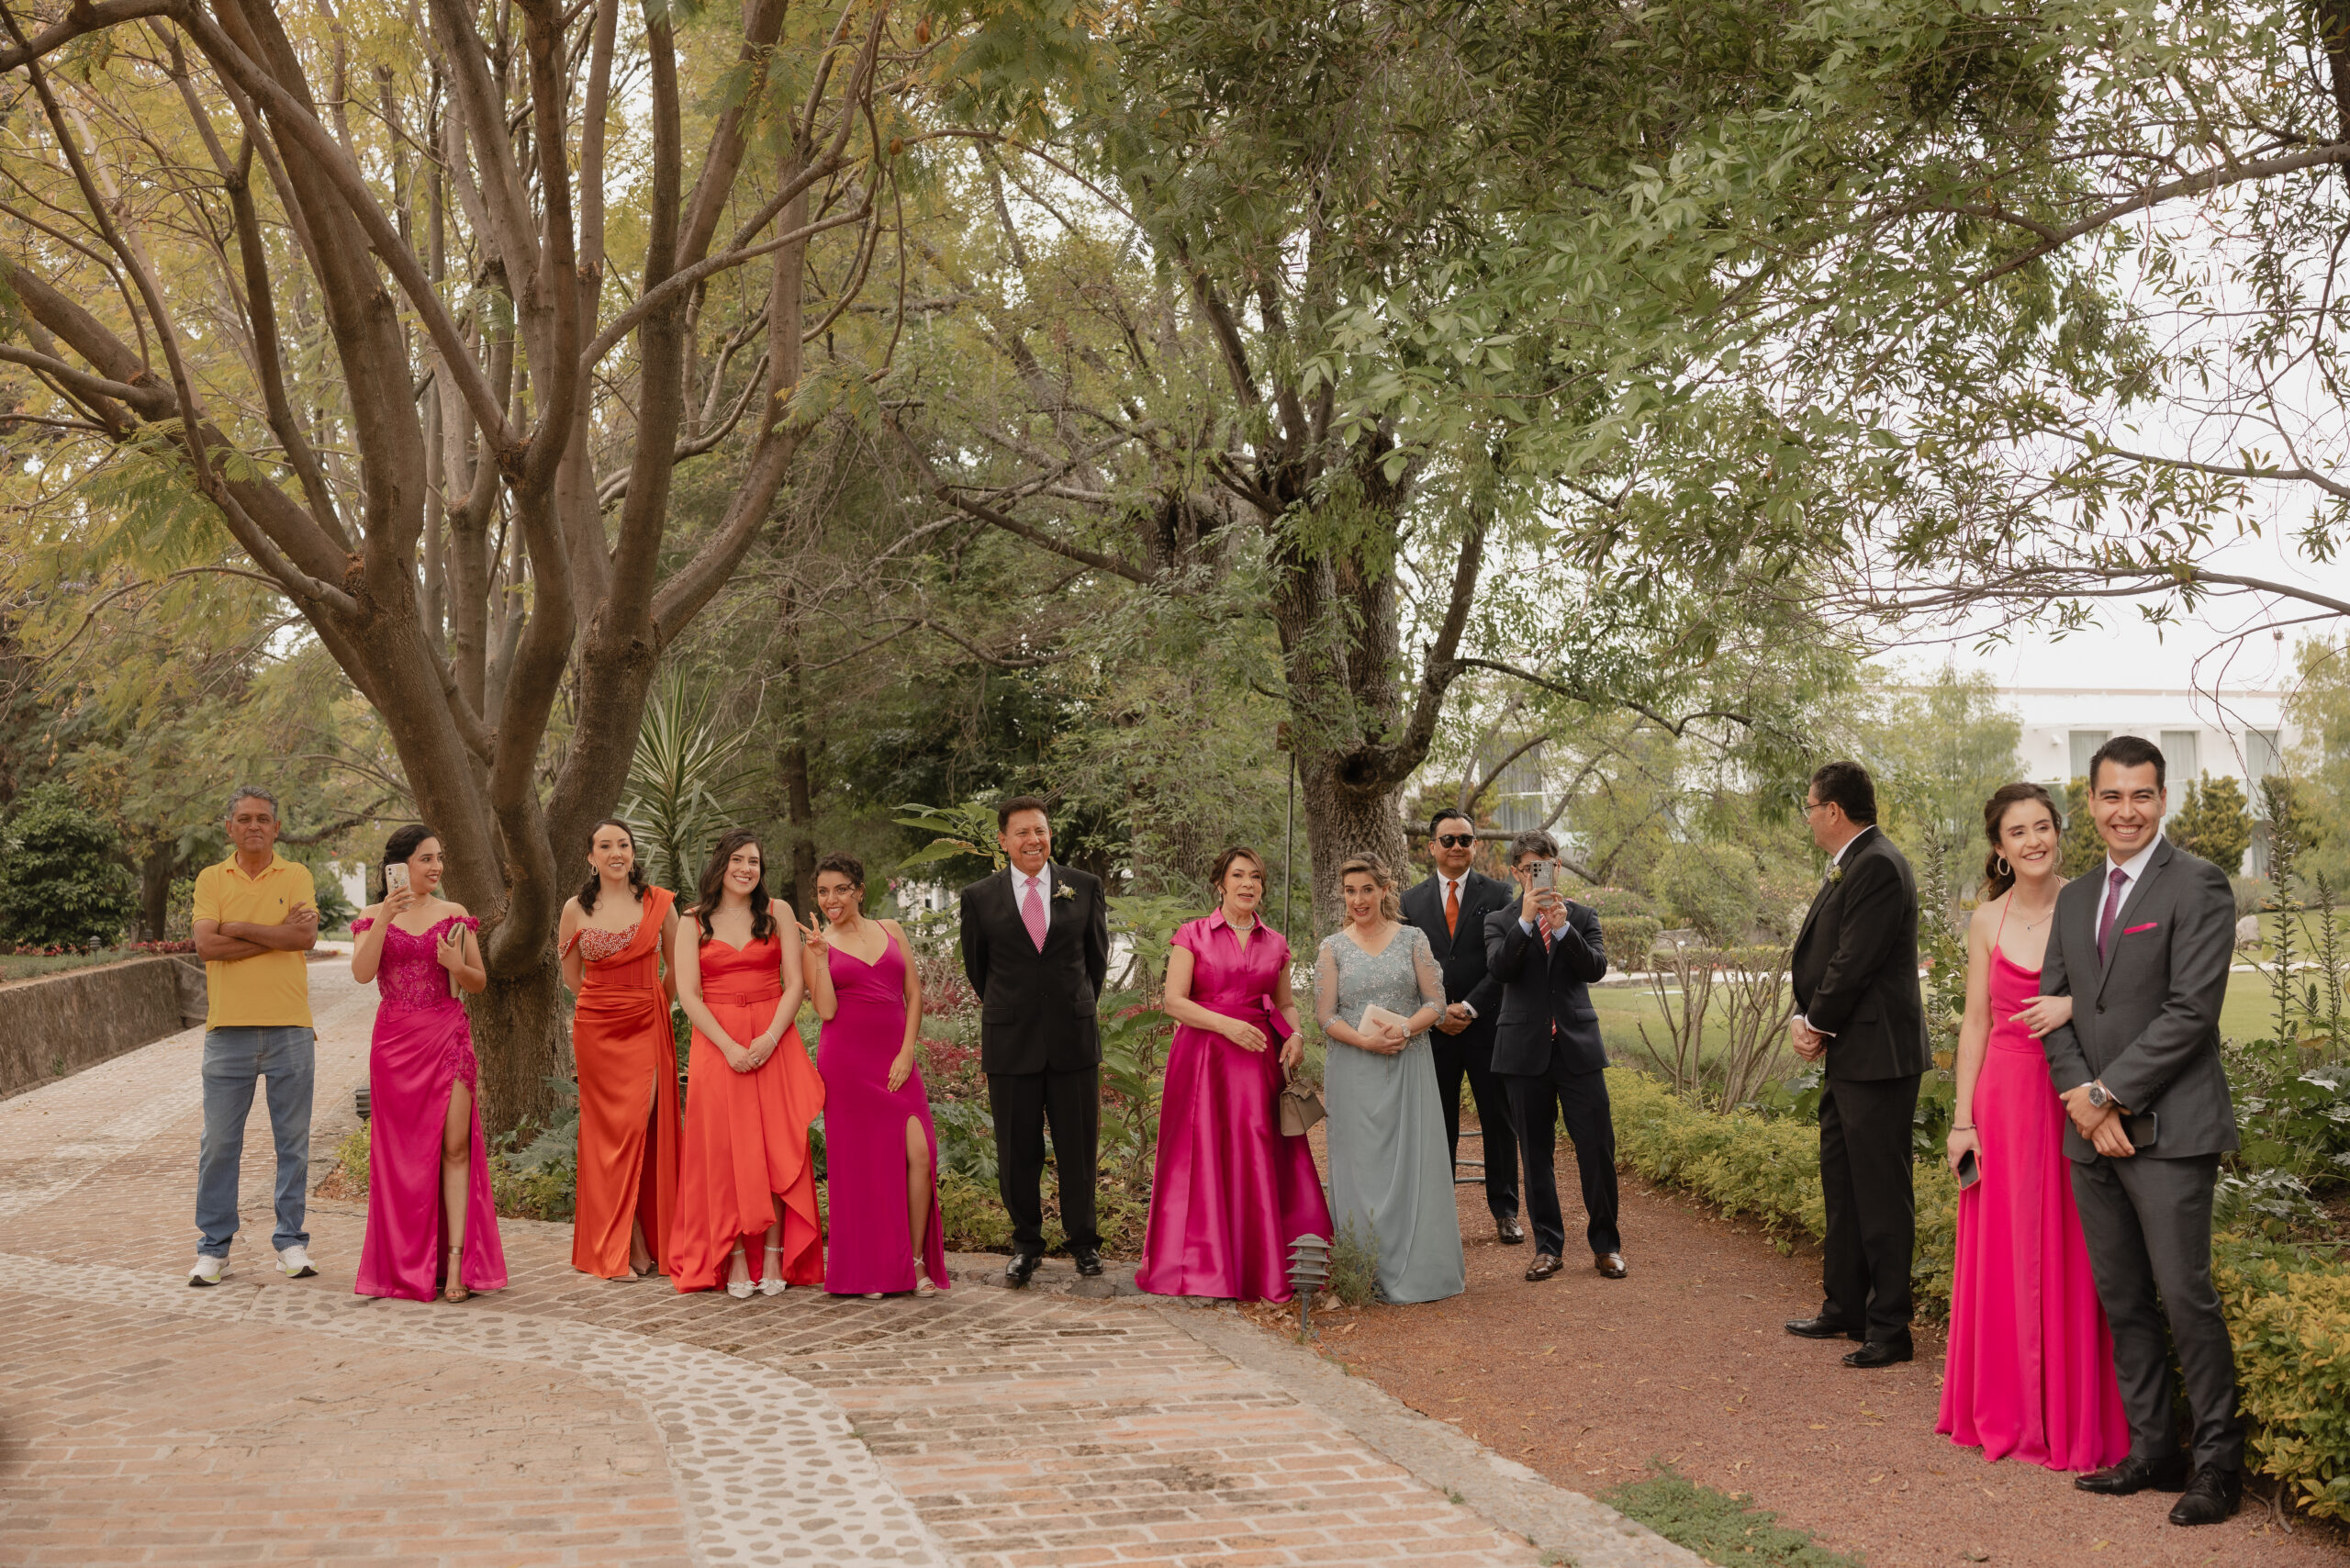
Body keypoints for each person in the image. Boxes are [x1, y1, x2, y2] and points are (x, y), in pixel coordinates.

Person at [2038, 736, 2244, 1525]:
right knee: (2122, 1298)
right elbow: (2055, 1008)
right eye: (2112, 796)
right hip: (2092, 1132)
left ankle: (2219, 1466)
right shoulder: (2076, 897)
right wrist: (2082, 1101)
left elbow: (2191, 1012)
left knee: (2186, 1298)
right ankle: (2155, 1450)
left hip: (2172, 1131)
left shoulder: (2198, 884)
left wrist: (2108, 1094)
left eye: (2142, 795)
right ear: (2090, 802)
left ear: (2163, 799)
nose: (2127, 811)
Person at [1937, 784, 2129, 1471]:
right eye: (2017, 832)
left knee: (2076, 1248)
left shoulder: (2090, 904)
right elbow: (1976, 1024)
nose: (2033, 841)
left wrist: (2069, 1005)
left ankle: (2071, 1414)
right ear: (2000, 847)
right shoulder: (1986, 920)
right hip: (2004, 1100)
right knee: (2006, 1250)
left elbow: (2122, 995)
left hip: (2072, 1094)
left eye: (2042, 827)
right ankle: (2009, 1407)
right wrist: (1962, 1121)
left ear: (2058, 832)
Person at [1137, 846, 1334, 1302]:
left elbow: (1285, 1004)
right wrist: (1227, 1026)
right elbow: (1174, 1001)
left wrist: (1296, 1035)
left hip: (1260, 1061)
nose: (1248, 884)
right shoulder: (1192, 935)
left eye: (1256, 877)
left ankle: (1260, 1266)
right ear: (1220, 884)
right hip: (1203, 1060)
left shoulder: (1276, 942)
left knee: (1258, 1152)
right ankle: (1202, 1266)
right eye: (1239, 875)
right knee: (1202, 1153)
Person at [1785, 760, 1930, 1368]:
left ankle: (1890, 1326)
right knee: (1843, 1185)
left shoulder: (1877, 865)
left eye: (1810, 808)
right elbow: (1829, 956)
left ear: (1833, 810)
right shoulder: (1857, 861)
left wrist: (1816, 1022)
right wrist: (1808, 1014)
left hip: (1878, 1056)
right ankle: (1845, 1306)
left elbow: (1854, 959)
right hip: (1852, 1052)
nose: (1808, 819)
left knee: (1880, 1193)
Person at [349, 826, 508, 1304]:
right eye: (426, 858)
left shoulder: (454, 914)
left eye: (439, 857)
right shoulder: (371, 916)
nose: (437, 866)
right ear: (398, 866)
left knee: (455, 1147)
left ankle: (455, 1264)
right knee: (400, 1158)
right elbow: (362, 974)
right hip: (394, 1046)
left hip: (447, 1035)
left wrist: (455, 966)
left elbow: (478, 982)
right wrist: (384, 918)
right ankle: (408, 1263)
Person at [958, 797, 1111, 1287]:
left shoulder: (1084, 887)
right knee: (1016, 1151)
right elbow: (979, 969)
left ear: (1050, 835)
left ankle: (1084, 1243)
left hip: (1073, 1040)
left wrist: (1070, 1006)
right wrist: (1016, 1009)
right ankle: (1026, 1244)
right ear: (1003, 840)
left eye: (1040, 830)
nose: (1033, 840)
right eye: (1022, 832)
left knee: (1078, 1149)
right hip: (1011, 1043)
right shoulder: (979, 897)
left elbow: (1097, 961)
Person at [668, 831, 825, 1298]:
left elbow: (795, 984)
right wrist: (729, 1048)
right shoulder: (692, 921)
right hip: (717, 1044)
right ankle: (735, 1255)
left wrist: (770, 1038)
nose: (746, 869)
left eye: (754, 861)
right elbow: (688, 995)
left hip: (773, 1039)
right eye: (737, 860)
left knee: (777, 1145)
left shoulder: (778, 912)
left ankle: (775, 1254)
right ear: (720, 864)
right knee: (726, 1151)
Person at [1315, 855, 1464, 1305]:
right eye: (1350, 891)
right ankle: (1362, 1270)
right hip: (1353, 1069)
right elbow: (1325, 1017)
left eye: (1367, 889)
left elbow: (1435, 1003)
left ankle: (1420, 1268)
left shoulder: (1413, 939)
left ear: (1384, 890)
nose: (1358, 899)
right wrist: (1366, 1042)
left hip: (1408, 1064)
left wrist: (1403, 1030)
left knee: (1413, 1160)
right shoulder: (1332, 948)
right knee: (1358, 1166)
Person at [189, 786, 322, 1286]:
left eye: (263, 819)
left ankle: (290, 1243)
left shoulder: (296, 875)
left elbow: (304, 937)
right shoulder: (211, 878)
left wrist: (238, 927)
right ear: (230, 828)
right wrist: (273, 933)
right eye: (244, 818)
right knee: (220, 1145)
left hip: (291, 1028)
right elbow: (206, 946)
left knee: (294, 1145)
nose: (254, 826)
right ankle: (214, 1249)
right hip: (228, 1032)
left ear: (276, 828)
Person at [805, 851, 947, 1298]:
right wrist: (821, 958)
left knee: (920, 1155)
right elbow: (826, 1010)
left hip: (896, 1058)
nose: (832, 899)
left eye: (841, 889)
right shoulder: (817, 945)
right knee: (863, 1167)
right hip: (846, 1064)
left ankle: (915, 1261)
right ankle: (870, 1270)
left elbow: (913, 994)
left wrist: (907, 1052)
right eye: (823, 891)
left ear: (860, 891)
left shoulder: (891, 930)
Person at [1484, 831, 1625, 1282]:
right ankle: (1548, 1247)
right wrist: (1527, 921)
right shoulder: (1501, 920)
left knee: (1597, 1149)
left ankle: (1606, 1245)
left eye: (1543, 866)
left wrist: (1563, 929)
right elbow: (1499, 969)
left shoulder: (1582, 917)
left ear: (1557, 866)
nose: (1536, 874)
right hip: (1523, 1054)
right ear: (1515, 873)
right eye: (1528, 868)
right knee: (1535, 1154)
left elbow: (1596, 969)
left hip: (1578, 1050)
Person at [559, 818, 681, 1280]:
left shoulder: (659, 902)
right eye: (606, 846)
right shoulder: (574, 908)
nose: (616, 853)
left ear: (633, 852)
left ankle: (640, 1238)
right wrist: (605, 1004)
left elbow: (676, 968)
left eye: (624, 845)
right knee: (606, 1134)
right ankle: (626, 1241)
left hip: (647, 1022)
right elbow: (572, 977)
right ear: (590, 857)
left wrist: (650, 1003)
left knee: (636, 1127)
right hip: (596, 1030)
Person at [1399, 809, 1522, 1244]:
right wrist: (1436, 1012)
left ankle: (1506, 1210)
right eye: (1448, 839)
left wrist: (1469, 1008)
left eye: (1465, 840)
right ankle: (1437, 1214)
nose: (1457, 846)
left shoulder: (1501, 893)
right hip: (1433, 1031)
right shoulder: (1410, 901)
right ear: (1432, 846)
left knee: (1498, 1120)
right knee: (1438, 1123)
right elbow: (1405, 967)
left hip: (1486, 1026)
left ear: (1475, 846)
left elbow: (1507, 960)